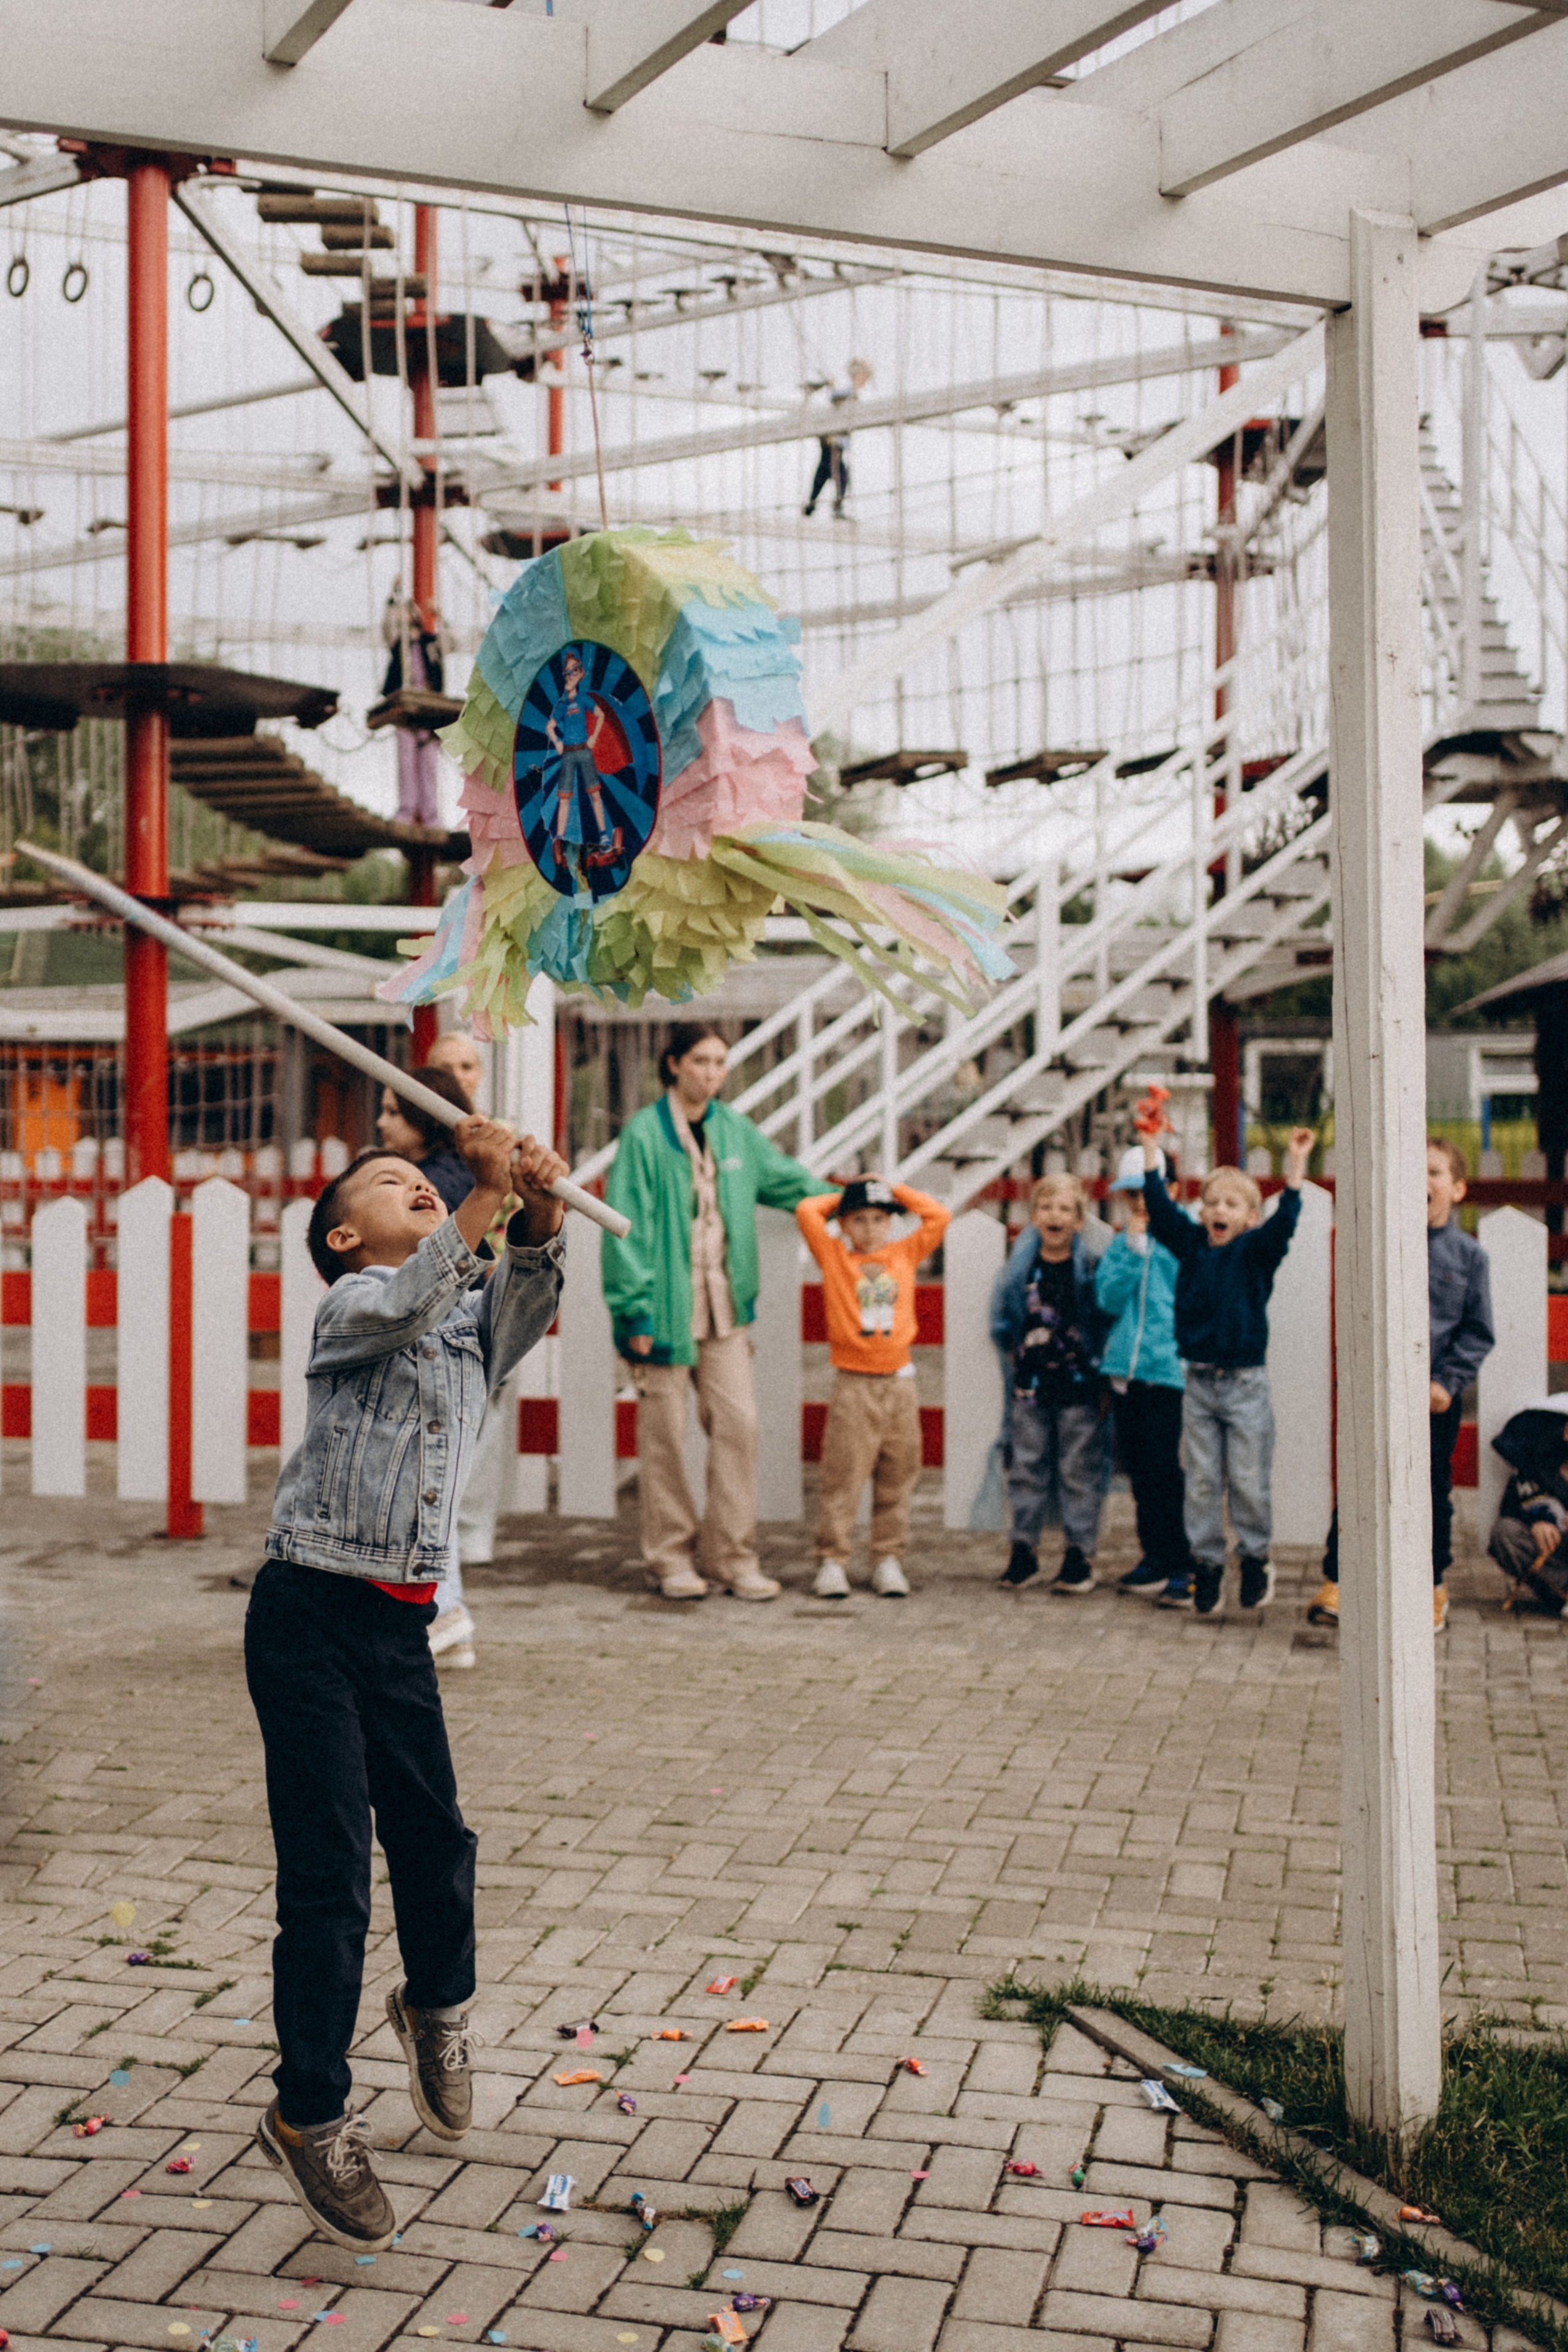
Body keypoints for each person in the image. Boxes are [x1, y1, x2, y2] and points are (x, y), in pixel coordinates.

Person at [247, 1117, 567, 2251]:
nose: (421, 1189)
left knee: (436, 1841)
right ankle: (311, 2109)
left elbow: (520, 1299)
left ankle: (435, 2007)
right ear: (345, 1235)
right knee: (330, 1875)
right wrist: (479, 1199)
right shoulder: (348, 1310)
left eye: (428, 1182)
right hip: (307, 1616)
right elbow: (406, 1303)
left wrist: (535, 1208)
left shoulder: (468, 1321)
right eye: (397, 1184)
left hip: (399, 1628)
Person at [602, 1021, 817, 1602]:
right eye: (701, 1060)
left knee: (739, 1425)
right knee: (665, 1437)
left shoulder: (736, 1131)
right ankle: (670, 1557)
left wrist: (846, 1198)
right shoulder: (645, 1135)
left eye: (721, 1062)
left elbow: (785, 1180)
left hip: (726, 1308)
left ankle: (732, 1557)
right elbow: (625, 1227)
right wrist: (634, 1313)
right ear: (673, 1064)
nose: (713, 1073)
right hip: (665, 1311)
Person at [1309, 1137, 1494, 1634]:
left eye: (1434, 1172)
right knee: (1358, 1482)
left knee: (1431, 1489)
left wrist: (1448, 1382)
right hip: (1376, 1388)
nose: (1423, 1181)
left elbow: (1478, 1332)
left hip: (1433, 1397)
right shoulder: (1382, 1246)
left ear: (1456, 1189)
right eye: (1414, 1170)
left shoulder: (1469, 1256)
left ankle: (1431, 1584)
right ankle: (1341, 1580)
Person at [1140, 1120, 1314, 1618]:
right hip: (1199, 1382)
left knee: (1246, 1478)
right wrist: (1151, 1149)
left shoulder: (1256, 1253)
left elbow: (1285, 1224)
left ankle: (1255, 1557)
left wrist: (1295, 1170)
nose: (1219, 1211)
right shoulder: (1192, 1245)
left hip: (1244, 1386)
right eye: (1212, 1202)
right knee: (1200, 1481)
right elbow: (1159, 1209)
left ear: (1250, 1217)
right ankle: (1207, 1564)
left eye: (1231, 1205)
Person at [374, 1065, 485, 1667]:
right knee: (434, 1481)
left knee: (426, 1483)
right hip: (451, 1343)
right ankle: (448, 1625)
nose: (383, 1121)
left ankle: (443, 1612)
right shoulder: (454, 1176)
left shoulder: (433, 1185)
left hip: (435, 1345)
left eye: (394, 1110)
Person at [796, 1175, 950, 1599]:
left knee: (898, 1475)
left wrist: (892, 1188)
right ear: (844, 1224)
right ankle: (832, 1559)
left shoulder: (905, 1252)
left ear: (891, 1222)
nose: (869, 1228)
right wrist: (849, 1194)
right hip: (853, 1384)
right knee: (843, 1476)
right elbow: (808, 1211)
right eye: (858, 1219)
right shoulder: (833, 1257)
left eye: (879, 1218)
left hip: (900, 1384)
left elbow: (938, 1216)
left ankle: (887, 1557)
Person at [990, 1172, 1109, 1594]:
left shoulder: (1089, 1268)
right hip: (1031, 1387)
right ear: (1034, 1216)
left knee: (1078, 1471)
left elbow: (1102, 1319)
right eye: (1046, 1207)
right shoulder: (1022, 1268)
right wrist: (1012, 1350)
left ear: (1079, 1220)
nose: (1054, 1215)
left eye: (1064, 1209)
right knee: (1026, 1467)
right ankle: (1024, 1548)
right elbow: (1005, 1318)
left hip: (1078, 1387)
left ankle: (1079, 1553)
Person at [1095, 1144, 1193, 1600]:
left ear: (1170, 1191)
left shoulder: (1183, 1239)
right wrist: (1132, 1251)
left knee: (1163, 1471)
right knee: (1138, 1471)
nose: (1139, 1205)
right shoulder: (1121, 1244)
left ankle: (1181, 1560)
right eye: (1130, 1196)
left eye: (1146, 1194)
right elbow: (1108, 1300)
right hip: (1124, 1373)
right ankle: (1153, 1555)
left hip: (1165, 1372)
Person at [1484, 1400, 1568, 1616]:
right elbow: (1509, 1511)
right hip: (1554, 1558)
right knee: (1505, 1533)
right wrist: (1536, 1522)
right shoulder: (1536, 1463)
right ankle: (1562, 1593)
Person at [544, 649, 619, 886]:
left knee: (595, 794)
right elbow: (549, 726)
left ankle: (604, 834)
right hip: (568, 753)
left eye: (574, 671)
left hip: (584, 751)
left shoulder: (584, 698)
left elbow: (600, 715)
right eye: (567, 673)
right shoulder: (562, 704)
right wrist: (556, 742)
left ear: (581, 673)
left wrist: (594, 737)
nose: (570, 676)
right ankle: (561, 836)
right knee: (564, 797)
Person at [381, 594, 449, 828]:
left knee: (429, 763)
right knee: (407, 762)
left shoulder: (431, 643)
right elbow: (388, 628)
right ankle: (407, 810)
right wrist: (392, 603)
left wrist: (439, 617)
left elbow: (451, 643)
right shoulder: (400, 644)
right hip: (407, 709)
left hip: (428, 710)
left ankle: (431, 814)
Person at [375, 1067, 477, 1215]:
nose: (381, 1122)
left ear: (430, 1117)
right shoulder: (455, 1168)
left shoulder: (438, 1182)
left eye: (393, 1112)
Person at [802, 359, 872, 518]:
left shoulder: (851, 394)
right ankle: (824, 506)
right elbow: (836, 398)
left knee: (830, 472)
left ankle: (814, 505)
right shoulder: (847, 394)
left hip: (834, 444)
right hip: (832, 444)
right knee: (835, 472)